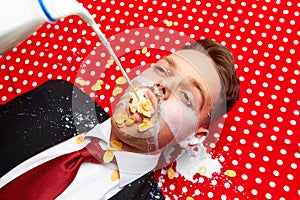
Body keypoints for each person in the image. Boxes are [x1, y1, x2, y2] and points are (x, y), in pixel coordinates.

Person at [0, 39, 240, 199]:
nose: (162, 85)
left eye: (186, 96)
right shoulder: (56, 97)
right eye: (163, 70)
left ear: (191, 138)